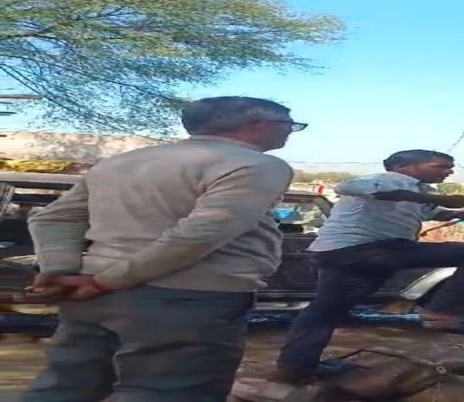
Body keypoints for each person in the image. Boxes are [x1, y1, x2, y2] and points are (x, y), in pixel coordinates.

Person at [23, 96, 304, 402]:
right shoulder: (256, 165)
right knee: (168, 391)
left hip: (92, 295)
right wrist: (105, 282)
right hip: (187, 298)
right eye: (290, 125)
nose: (291, 132)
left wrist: (59, 268)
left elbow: (54, 218)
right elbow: (200, 234)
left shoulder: (122, 162)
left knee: (67, 387)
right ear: (260, 124)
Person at [272, 149, 464, 382]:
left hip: (336, 252)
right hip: (366, 249)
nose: (449, 172)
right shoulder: (385, 180)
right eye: (441, 166)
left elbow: (432, 212)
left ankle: (296, 367)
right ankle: (443, 311)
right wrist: (437, 198)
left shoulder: (416, 191)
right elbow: (347, 187)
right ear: (403, 166)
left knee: (325, 311)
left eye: (450, 168)